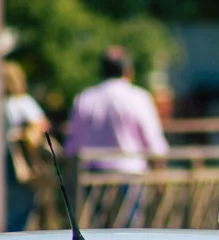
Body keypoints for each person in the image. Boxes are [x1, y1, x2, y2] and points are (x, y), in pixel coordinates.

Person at [65, 46, 169, 174]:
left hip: (93, 178)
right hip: (131, 173)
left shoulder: (84, 99)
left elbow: (72, 146)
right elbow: (154, 144)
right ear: (128, 70)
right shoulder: (138, 98)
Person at [2, 61, 51, 232]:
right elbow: (41, 125)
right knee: (21, 211)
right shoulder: (22, 103)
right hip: (19, 161)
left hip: (0, 161)